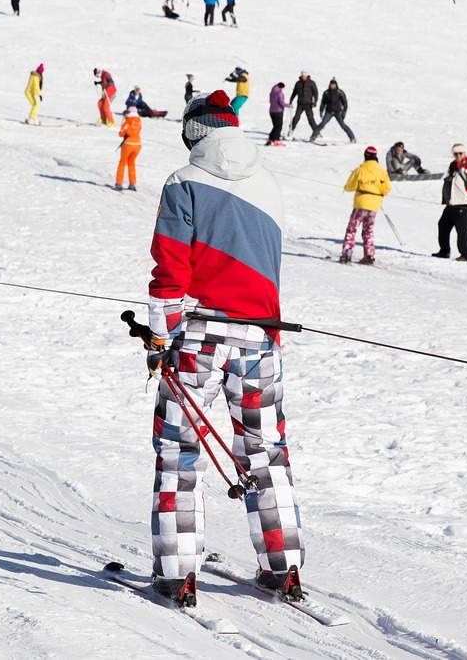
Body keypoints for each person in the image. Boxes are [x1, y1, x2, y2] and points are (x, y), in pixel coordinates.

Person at [144, 88, 303, 603]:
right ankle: (284, 567)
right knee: (266, 451)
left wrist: (160, 337)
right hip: (261, 336)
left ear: (195, 131)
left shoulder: (182, 183)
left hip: (200, 337)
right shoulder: (270, 183)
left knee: (179, 451)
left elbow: (171, 271)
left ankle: (177, 571)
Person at [339, 146, 392, 264]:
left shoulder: (360, 170)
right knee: (368, 231)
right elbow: (387, 188)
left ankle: (347, 254)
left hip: (361, 203)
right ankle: (369, 255)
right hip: (374, 206)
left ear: (365, 156)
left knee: (352, 230)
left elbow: (350, 186)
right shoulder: (381, 171)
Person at [434, 144, 467, 263]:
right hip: (452, 203)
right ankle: (444, 251)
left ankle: (465, 255)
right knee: (443, 225)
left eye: (460, 153)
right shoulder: (453, 165)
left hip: (463, 203)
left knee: (461, 230)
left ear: (465, 153)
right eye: (456, 154)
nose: (458, 156)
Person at [310, 78, 355, 143]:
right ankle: (313, 137)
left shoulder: (340, 92)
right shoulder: (326, 93)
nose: (332, 86)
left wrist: (344, 112)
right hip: (329, 111)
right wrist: (321, 110)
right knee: (322, 124)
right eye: (331, 85)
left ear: (336, 85)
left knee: (343, 125)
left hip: (338, 112)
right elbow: (323, 102)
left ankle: (352, 138)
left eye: (334, 85)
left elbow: (345, 103)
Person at [115, 106, 141, 191]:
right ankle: (132, 183)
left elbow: (122, 133)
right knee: (131, 163)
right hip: (138, 144)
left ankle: (119, 183)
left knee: (122, 163)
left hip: (128, 144)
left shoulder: (127, 120)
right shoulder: (139, 121)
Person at [287, 72, 319, 139]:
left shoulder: (311, 83)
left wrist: (315, 101)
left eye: (304, 76)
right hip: (300, 103)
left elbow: (315, 93)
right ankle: (290, 130)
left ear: (307, 76)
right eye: (302, 76)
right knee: (296, 117)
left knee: (310, 118)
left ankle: (316, 131)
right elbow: (294, 92)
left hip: (308, 104)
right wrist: (291, 100)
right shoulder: (298, 83)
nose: (303, 77)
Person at [266, 81, 290, 145]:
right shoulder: (279, 93)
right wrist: (289, 105)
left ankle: (270, 139)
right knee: (278, 126)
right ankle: (276, 140)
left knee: (275, 126)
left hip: (272, 111)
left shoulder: (272, 92)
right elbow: (281, 103)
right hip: (278, 111)